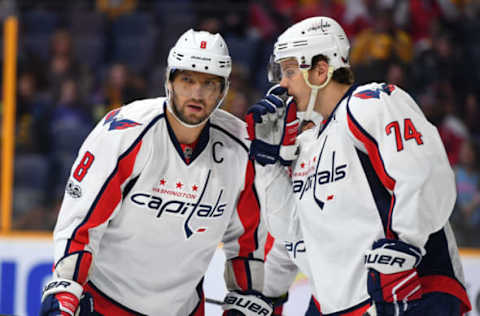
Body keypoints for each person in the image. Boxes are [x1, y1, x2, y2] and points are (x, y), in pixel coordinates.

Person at [247, 16, 471, 315]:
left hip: (410, 290)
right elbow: (293, 236)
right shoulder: (307, 144)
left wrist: (404, 246)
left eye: (289, 71)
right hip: (341, 304)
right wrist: (268, 164)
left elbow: (425, 172)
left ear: (321, 70)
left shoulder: (371, 102)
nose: (282, 84)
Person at [40, 29, 273, 316]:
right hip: (104, 304)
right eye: (187, 80)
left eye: (208, 83)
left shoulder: (242, 146)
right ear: (170, 81)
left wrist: (246, 297)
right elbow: (82, 223)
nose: (197, 94)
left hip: (183, 309)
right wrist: (65, 289)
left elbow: (249, 239)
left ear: (223, 90)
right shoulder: (124, 133)